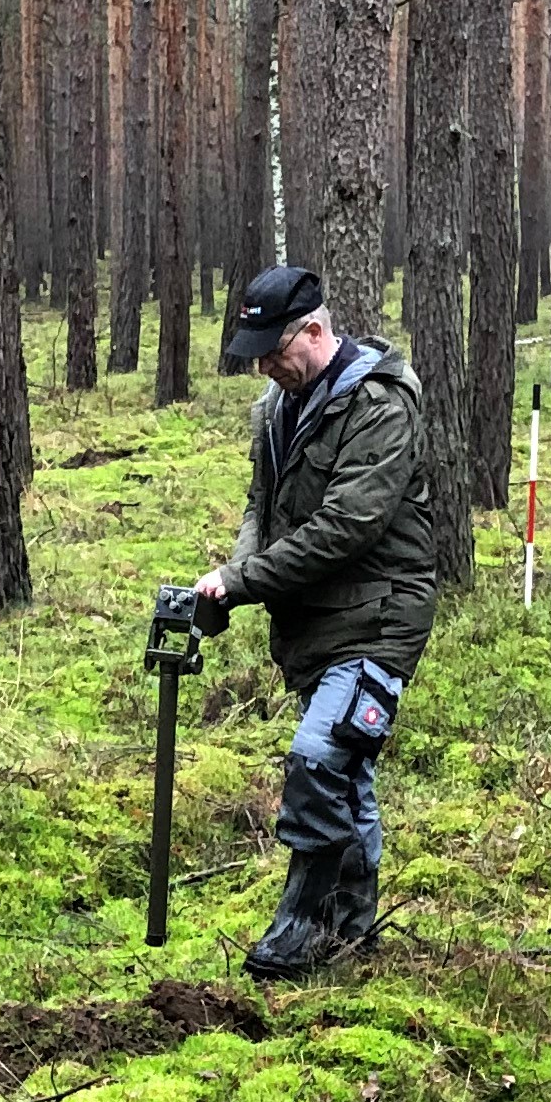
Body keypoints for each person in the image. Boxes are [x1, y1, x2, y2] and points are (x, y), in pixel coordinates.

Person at [192, 264, 444, 977]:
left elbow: (346, 526)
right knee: (346, 776)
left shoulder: (380, 405)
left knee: (318, 758)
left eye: (276, 350)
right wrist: (228, 578)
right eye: (258, 355)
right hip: (312, 626)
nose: (268, 366)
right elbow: (260, 510)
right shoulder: (276, 407)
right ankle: (352, 938)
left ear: (315, 330)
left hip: (381, 616)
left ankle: (301, 929)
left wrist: (241, 582)